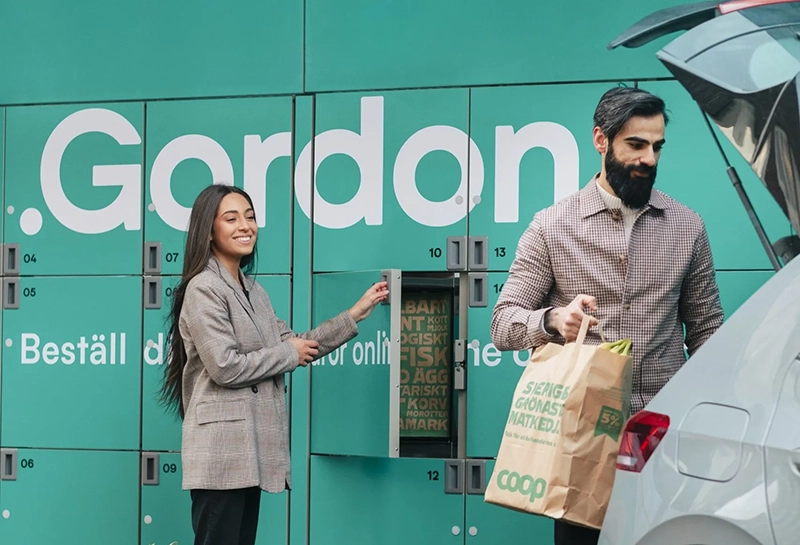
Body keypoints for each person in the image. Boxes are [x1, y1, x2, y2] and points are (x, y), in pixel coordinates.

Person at [490, 86, 724, 545]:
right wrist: (555, 321)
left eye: (657, 146)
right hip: (583, 440)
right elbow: (502, 324)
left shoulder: (688, 226)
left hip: (663, 435)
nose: (649, 159)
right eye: (635, 145)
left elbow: (706, 329)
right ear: (601, 140)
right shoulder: (552, 226)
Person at [159, 184, 388, 545]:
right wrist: (289, 354)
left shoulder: (254, 291)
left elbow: (298, 345)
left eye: (250, 217)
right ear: (208, 230)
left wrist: (355, 313)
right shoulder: (203, 288)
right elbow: (224, 366)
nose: (245, 226)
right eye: (231, 218)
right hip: (221, 453)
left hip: (248, 451)